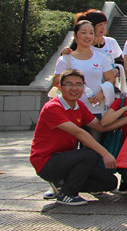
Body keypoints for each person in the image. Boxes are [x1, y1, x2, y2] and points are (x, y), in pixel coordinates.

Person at [30, 68, 120, 205]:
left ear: (84, 87)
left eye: (78, 84)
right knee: (90, 154)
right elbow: (80, 133)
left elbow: (100, 126)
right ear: (60, 87)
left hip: (68, 161)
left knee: (109, 182)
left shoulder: (79, 106)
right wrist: (105, 154)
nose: (74, 88)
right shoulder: (53, 107)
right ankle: (67, 194)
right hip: (46, 162)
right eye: (69, 84)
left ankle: (62, 184)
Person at [53, 20, 115, 134]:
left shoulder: (101, 58)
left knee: (93, 143)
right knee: (70, 143)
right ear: (75, 35)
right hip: (72, 109)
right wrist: (71, 80)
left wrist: (103, 93)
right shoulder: (65, 59)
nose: (88, 36)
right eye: (83, 32)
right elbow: (55, 81)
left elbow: (111, 79)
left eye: (91, 33)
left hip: (94, 109)